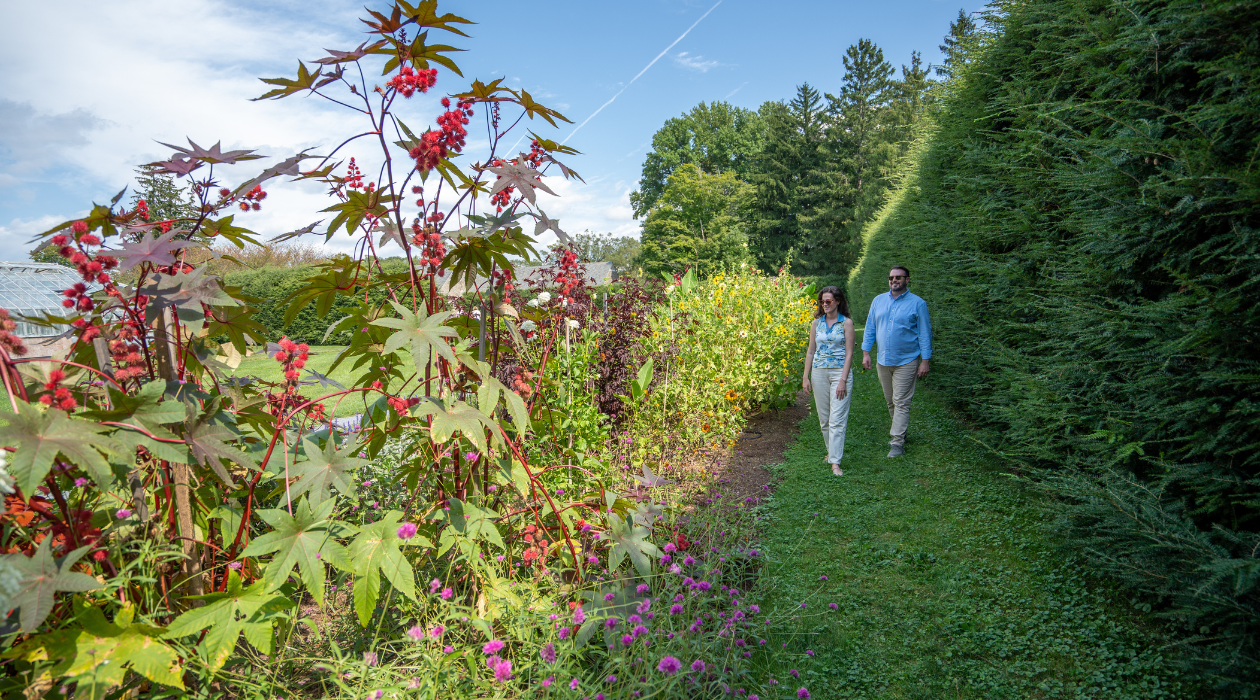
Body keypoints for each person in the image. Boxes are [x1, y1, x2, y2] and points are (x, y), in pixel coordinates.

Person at [862, 265, 932, 457]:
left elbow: (925, 333)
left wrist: (925, 361)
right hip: (883, 360)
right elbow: (870, 328)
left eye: (899, 277)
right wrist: (866, 352)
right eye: (891, 278)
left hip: (907, 360)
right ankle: (900, 430)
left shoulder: (918, 304)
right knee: (890, 401)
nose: (894, 280)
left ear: (907, 279)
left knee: (901, 401)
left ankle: (897, 442)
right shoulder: (878, 301)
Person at [802, 286, 855, 476]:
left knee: (837, 420)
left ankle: (835, 462)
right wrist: (805, 376)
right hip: (819, 373)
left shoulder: (846, 323)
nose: (824, 304)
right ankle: (831, 452)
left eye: (828, 301)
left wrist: (843, 380)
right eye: (822, 301)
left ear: (838, 301)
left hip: (839, 373)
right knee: (824, 419)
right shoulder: (816, 323)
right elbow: (811, 351)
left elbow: (849, 354)